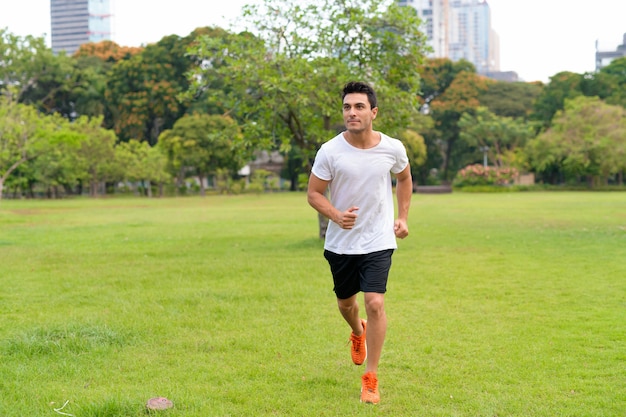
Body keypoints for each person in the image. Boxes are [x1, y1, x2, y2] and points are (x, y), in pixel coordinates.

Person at [307, 81, 412, 404]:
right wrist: (336, 216)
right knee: (346, 304)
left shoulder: (392, 147)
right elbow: (313, 193)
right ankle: (357, 330)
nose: (352, 113)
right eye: (347, 107)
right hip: (341, 243)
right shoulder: (330, 151)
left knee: (376, 302)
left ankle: (371, 376)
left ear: (373, 112)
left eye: (359, 107)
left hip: (378, 238)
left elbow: (404, 178)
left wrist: (403, 217)